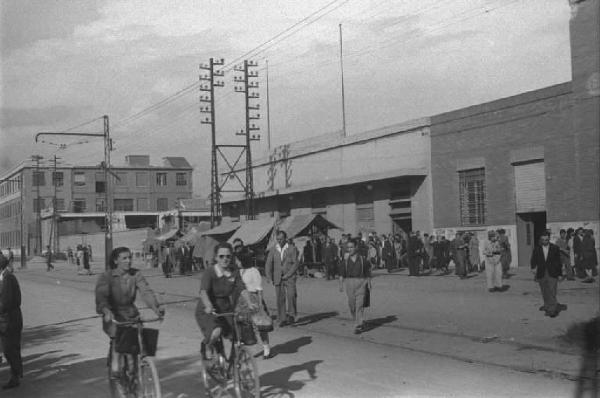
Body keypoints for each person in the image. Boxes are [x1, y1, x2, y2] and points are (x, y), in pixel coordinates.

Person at [95, 247, 165, 378]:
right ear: (116, 261)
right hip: (113, 315)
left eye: (130, 257)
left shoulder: (136, 274)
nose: (129, 261)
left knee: (138, 343)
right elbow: (101, 297)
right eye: (124, 258)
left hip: (131, 314)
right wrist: (105, 310)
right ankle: (115, 365)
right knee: (117, 339)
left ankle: (135, 376)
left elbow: (146, 292)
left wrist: (156, 308)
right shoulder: (107, 277)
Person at [195, 243, 250, 359]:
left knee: (238, 334)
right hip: (208, 308)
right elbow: (203, 291)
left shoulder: (234, 271)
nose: (225, 259)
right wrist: (209, 306)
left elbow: (242, 288)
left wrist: (251, 303)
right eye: (221, 256)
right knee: (216, 331)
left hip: (225, 307)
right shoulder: (210, 272)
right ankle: (208, 346)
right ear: (216, 257)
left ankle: (233, 364)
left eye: (228, 256)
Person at [239, 246, 272, 359]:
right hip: (242, 300)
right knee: (244, 326)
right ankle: (244, 350)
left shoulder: (254, 271)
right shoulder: (239, 271)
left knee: (260, 325)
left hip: (253, 298)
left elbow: (259, 289)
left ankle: (266, 348)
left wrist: (261, 304)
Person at [265, 231, 299, 327]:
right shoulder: (273, 250)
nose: (279, 241)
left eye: (281, 239)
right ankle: (282, 318)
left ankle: (292, 315)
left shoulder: (292, 249)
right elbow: (268, 263)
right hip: (277, 277)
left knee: (291, 295)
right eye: (278, 239)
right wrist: (268, 276)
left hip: (290, 276)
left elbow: (295, 263)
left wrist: (288, 275)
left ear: (285, 238)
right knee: (280, 298)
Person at [339, 239, 371, 334]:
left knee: (360, 305)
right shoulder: (345, 261)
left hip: (361, 283)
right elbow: (341, 274)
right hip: (349, 283)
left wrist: (369, 283)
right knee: (352, 305)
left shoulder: (362, 259)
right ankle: (356, 319)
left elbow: (367, 272)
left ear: (356, 247)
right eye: (348, 247)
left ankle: (358, 324)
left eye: (352, 247)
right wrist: (340, 284)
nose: (350, 249)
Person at [0, 251, 22, 389]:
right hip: (7, 319)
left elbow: (6, 302)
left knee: (10, 349)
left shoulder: (8, 279)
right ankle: (17, 374)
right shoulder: (4, 277)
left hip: (10, 320)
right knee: (10, 348)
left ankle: (16, 377)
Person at [530, 233, 564, 318]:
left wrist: (560, 274)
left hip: (552, 272)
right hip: (541, 272)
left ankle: (552, 310)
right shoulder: (537, 249)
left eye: (547, 239)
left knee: (552, 291)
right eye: (543, 240)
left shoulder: (555, 248)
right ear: (541, 240)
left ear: (549, 239)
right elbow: (533, 259)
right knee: (544, 290)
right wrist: (533, 268)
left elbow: (558, 262)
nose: (545, 241)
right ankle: (546, 305)